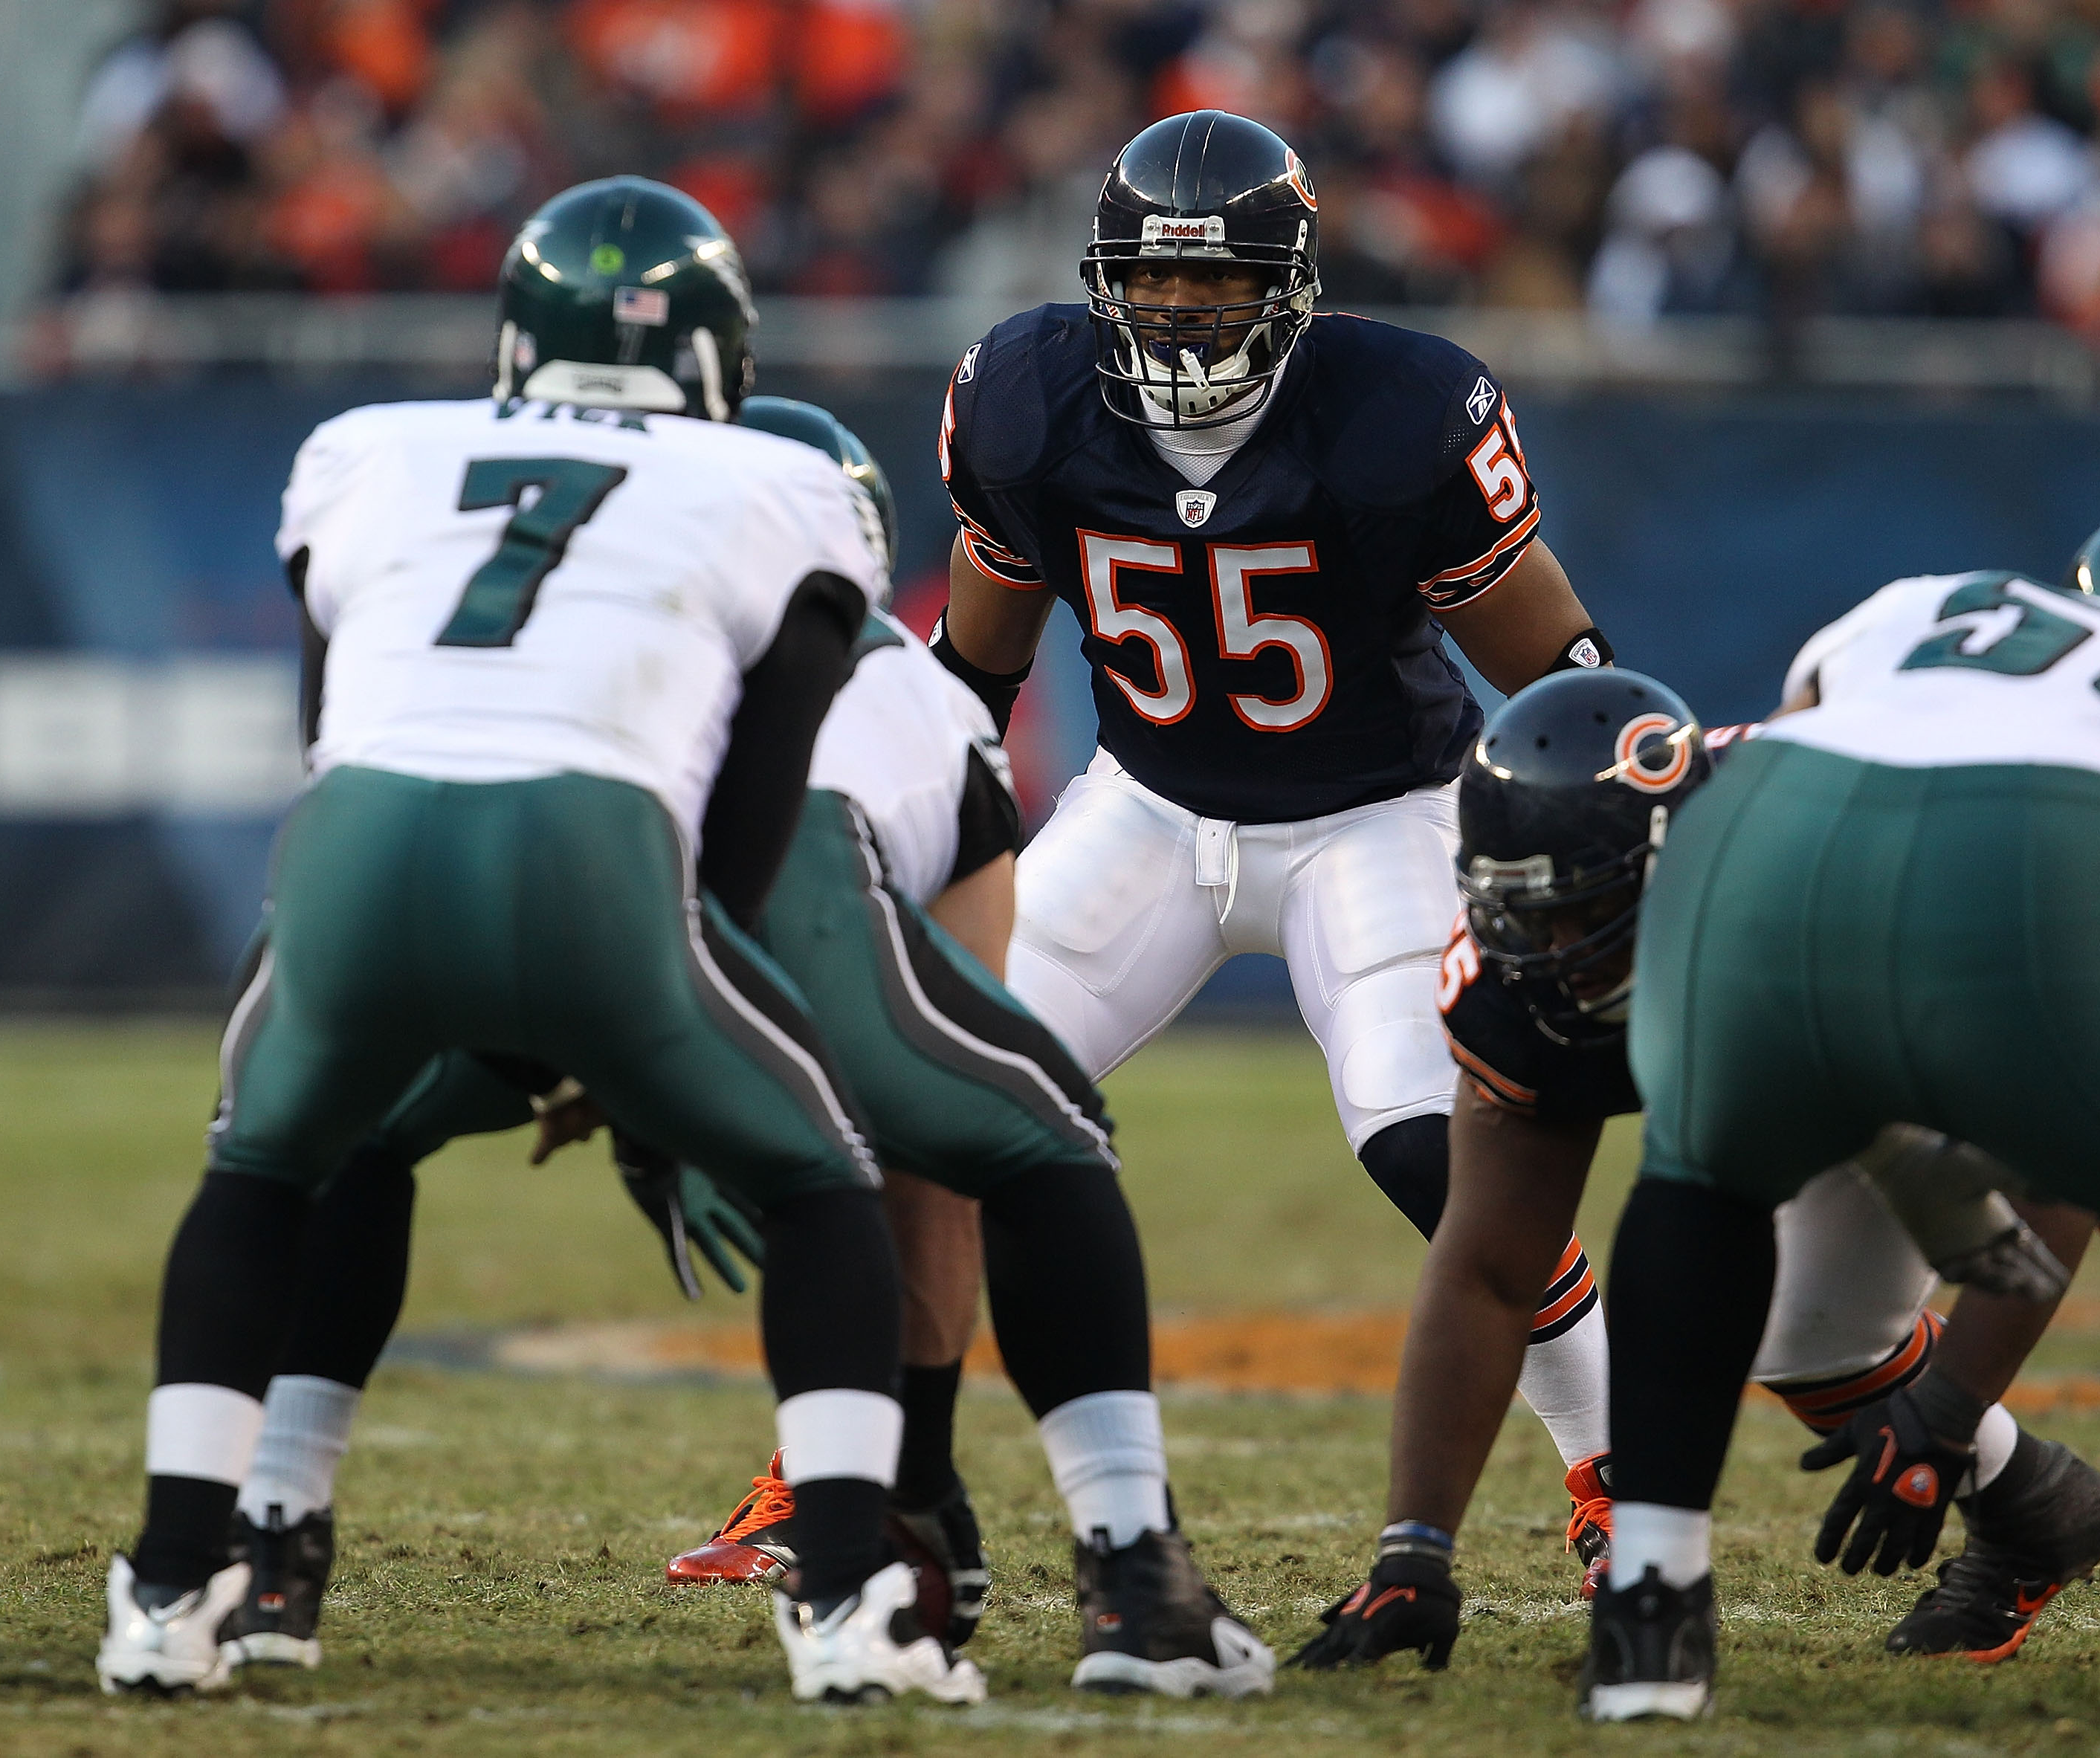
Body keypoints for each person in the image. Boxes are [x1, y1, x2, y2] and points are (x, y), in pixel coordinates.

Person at [163, 392, 1277, 1702]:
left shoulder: (486, 560)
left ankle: (262, 1534)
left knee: (321, 1133)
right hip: (724, 907)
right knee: (1027, 1126)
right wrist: (689, 1083)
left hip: (446, 874)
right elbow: (940, 1120)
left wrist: (627, 1075)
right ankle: (1107, 1560)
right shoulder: (904, 685)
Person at [931, 107, 1623, 1574]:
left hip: (1373, 815)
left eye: (1220, 277)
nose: (1180, 307)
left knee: (1428, 1148)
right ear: (1104, 275)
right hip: (1145, 808)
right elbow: (973, 680)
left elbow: (1557, 667)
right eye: (1153, 277)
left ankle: (1612, 1464)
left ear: (1294, 278)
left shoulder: (1395, 412)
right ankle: (843, 1473)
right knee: (923, 1112)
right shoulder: (1027, 395)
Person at [1290, 668, 2100, 1681]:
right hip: (1806, 1019)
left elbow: (2077, 1152)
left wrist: (1951, 1409)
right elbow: (1492, 1271)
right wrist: (1414, 1545)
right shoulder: (1520, 981)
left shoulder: (1856, 885)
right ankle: (2042, 1513)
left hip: (2061, 946)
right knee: (1814, 1340)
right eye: (1523, 908)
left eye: (1579, 909)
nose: (1550, 950)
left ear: (1676, 871)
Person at [1585, 523, 2100, 1719]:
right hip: (2039, 873)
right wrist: (1946, 1408)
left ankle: (1651, 1618)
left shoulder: (1949, 598)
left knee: (1722, 1213)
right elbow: (2063, 1154)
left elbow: (1813, 718)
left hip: (1762, 837)